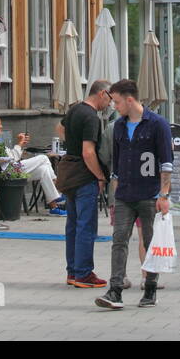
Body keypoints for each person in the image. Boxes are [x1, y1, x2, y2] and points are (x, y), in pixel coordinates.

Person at [96, 79, 173, 310]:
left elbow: (166, 162)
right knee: (119, 239)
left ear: (130, 100)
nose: (114, 106)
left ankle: (150, 288)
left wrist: (164, 195)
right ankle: (115, 290)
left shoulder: (157, 124)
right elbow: (117, 162)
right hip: (124, 194)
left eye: (117, 102)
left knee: (149, 241)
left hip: (149, 194)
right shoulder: (118, 126)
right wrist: (115, 188)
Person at [57, 81, 112, 289]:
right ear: (101, 93)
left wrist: (71, 140)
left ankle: (72, 271)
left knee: (72, 224)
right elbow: (88, 152)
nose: (110, 103)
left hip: (69, 174)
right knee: (86, 226)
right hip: (84, 176)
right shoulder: (91, 117)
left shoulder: (74, 109)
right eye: (109, 98)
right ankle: (83, 273)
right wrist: (100, 176)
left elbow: (59, 128)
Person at [0, 117, 66, 216]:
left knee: (43, 170)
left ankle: (53, 207)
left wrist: (20, 144)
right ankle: (58, 188)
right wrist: (19, 143)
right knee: (43, 158)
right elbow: (12, 158)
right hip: (8, 171)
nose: (1, 127)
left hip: (11, 169)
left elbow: (10, 156)